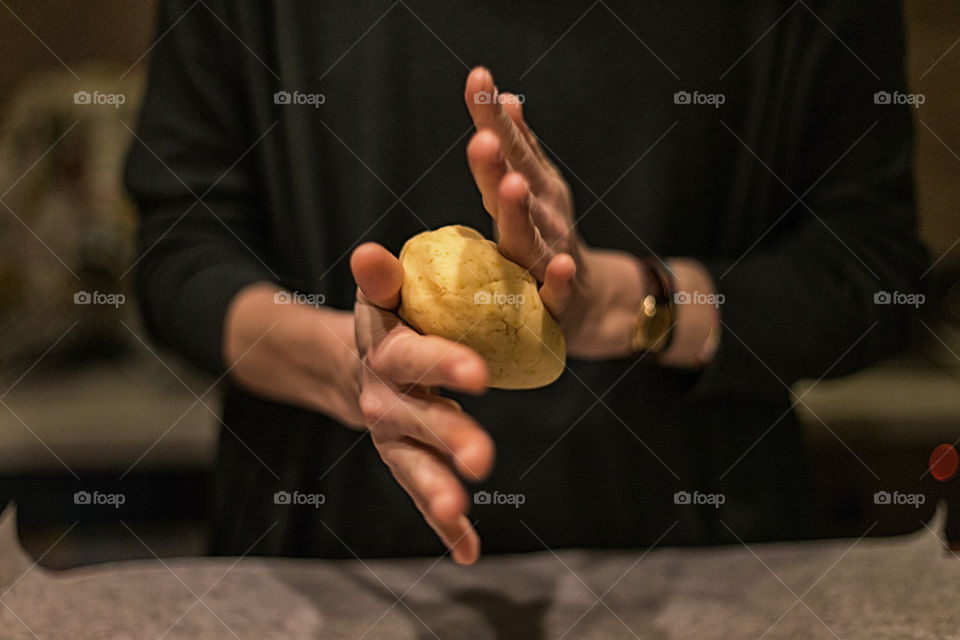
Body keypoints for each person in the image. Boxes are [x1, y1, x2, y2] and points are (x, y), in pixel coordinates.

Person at [126, 0, 926, 564]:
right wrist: (343, 362)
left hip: (705, 566)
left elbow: (874, 265)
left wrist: (632, 305)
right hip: (319, 565)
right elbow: (180, 246)